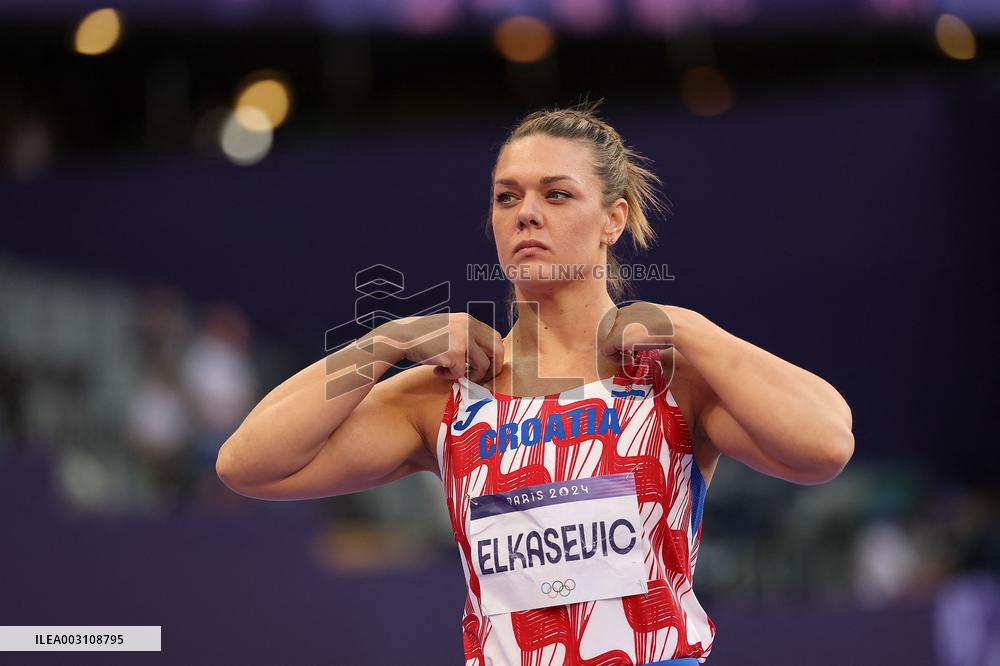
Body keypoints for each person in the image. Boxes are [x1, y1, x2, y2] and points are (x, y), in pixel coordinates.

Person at [215, 103, 854, 665]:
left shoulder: (672, 378)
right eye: (507, 196)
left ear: (612, 220)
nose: (526, 215)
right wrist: (389, 340)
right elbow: (247, 465)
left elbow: (825, 446)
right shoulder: (449, 393)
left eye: (556, 194)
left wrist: (688, 329)